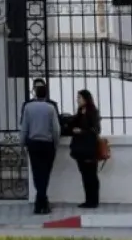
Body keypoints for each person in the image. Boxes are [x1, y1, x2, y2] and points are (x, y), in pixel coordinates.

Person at [19, 80, 61, 215]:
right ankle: (42, 202)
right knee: (46, 173)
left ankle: (40, 203)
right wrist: (56, 143)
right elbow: (56, 129)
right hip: (47, 144)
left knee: (37, 173)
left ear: (35, 93)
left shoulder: (28, 107)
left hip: (33, 144)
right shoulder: (50, 108)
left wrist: (22, 144)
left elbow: (24, 128)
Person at [70, 89, 102, 208]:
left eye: (79, 97)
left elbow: (96, 130)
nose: (77, 100)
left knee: (91, 175)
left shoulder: (92, 112)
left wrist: (82, 131)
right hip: (80, 148)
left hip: (89, 148)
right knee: (84, 175)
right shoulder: (80, 111)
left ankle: (94, 200)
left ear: (86, 99)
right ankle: (88, 199)